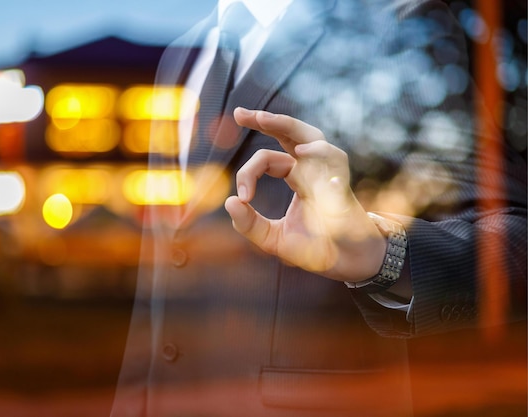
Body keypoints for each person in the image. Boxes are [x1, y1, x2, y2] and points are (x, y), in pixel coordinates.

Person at [111, 1, 527, 416]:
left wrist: (381, 254)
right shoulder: (182, 52)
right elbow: (165, 272)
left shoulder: (392, 23)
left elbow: (514, 236)